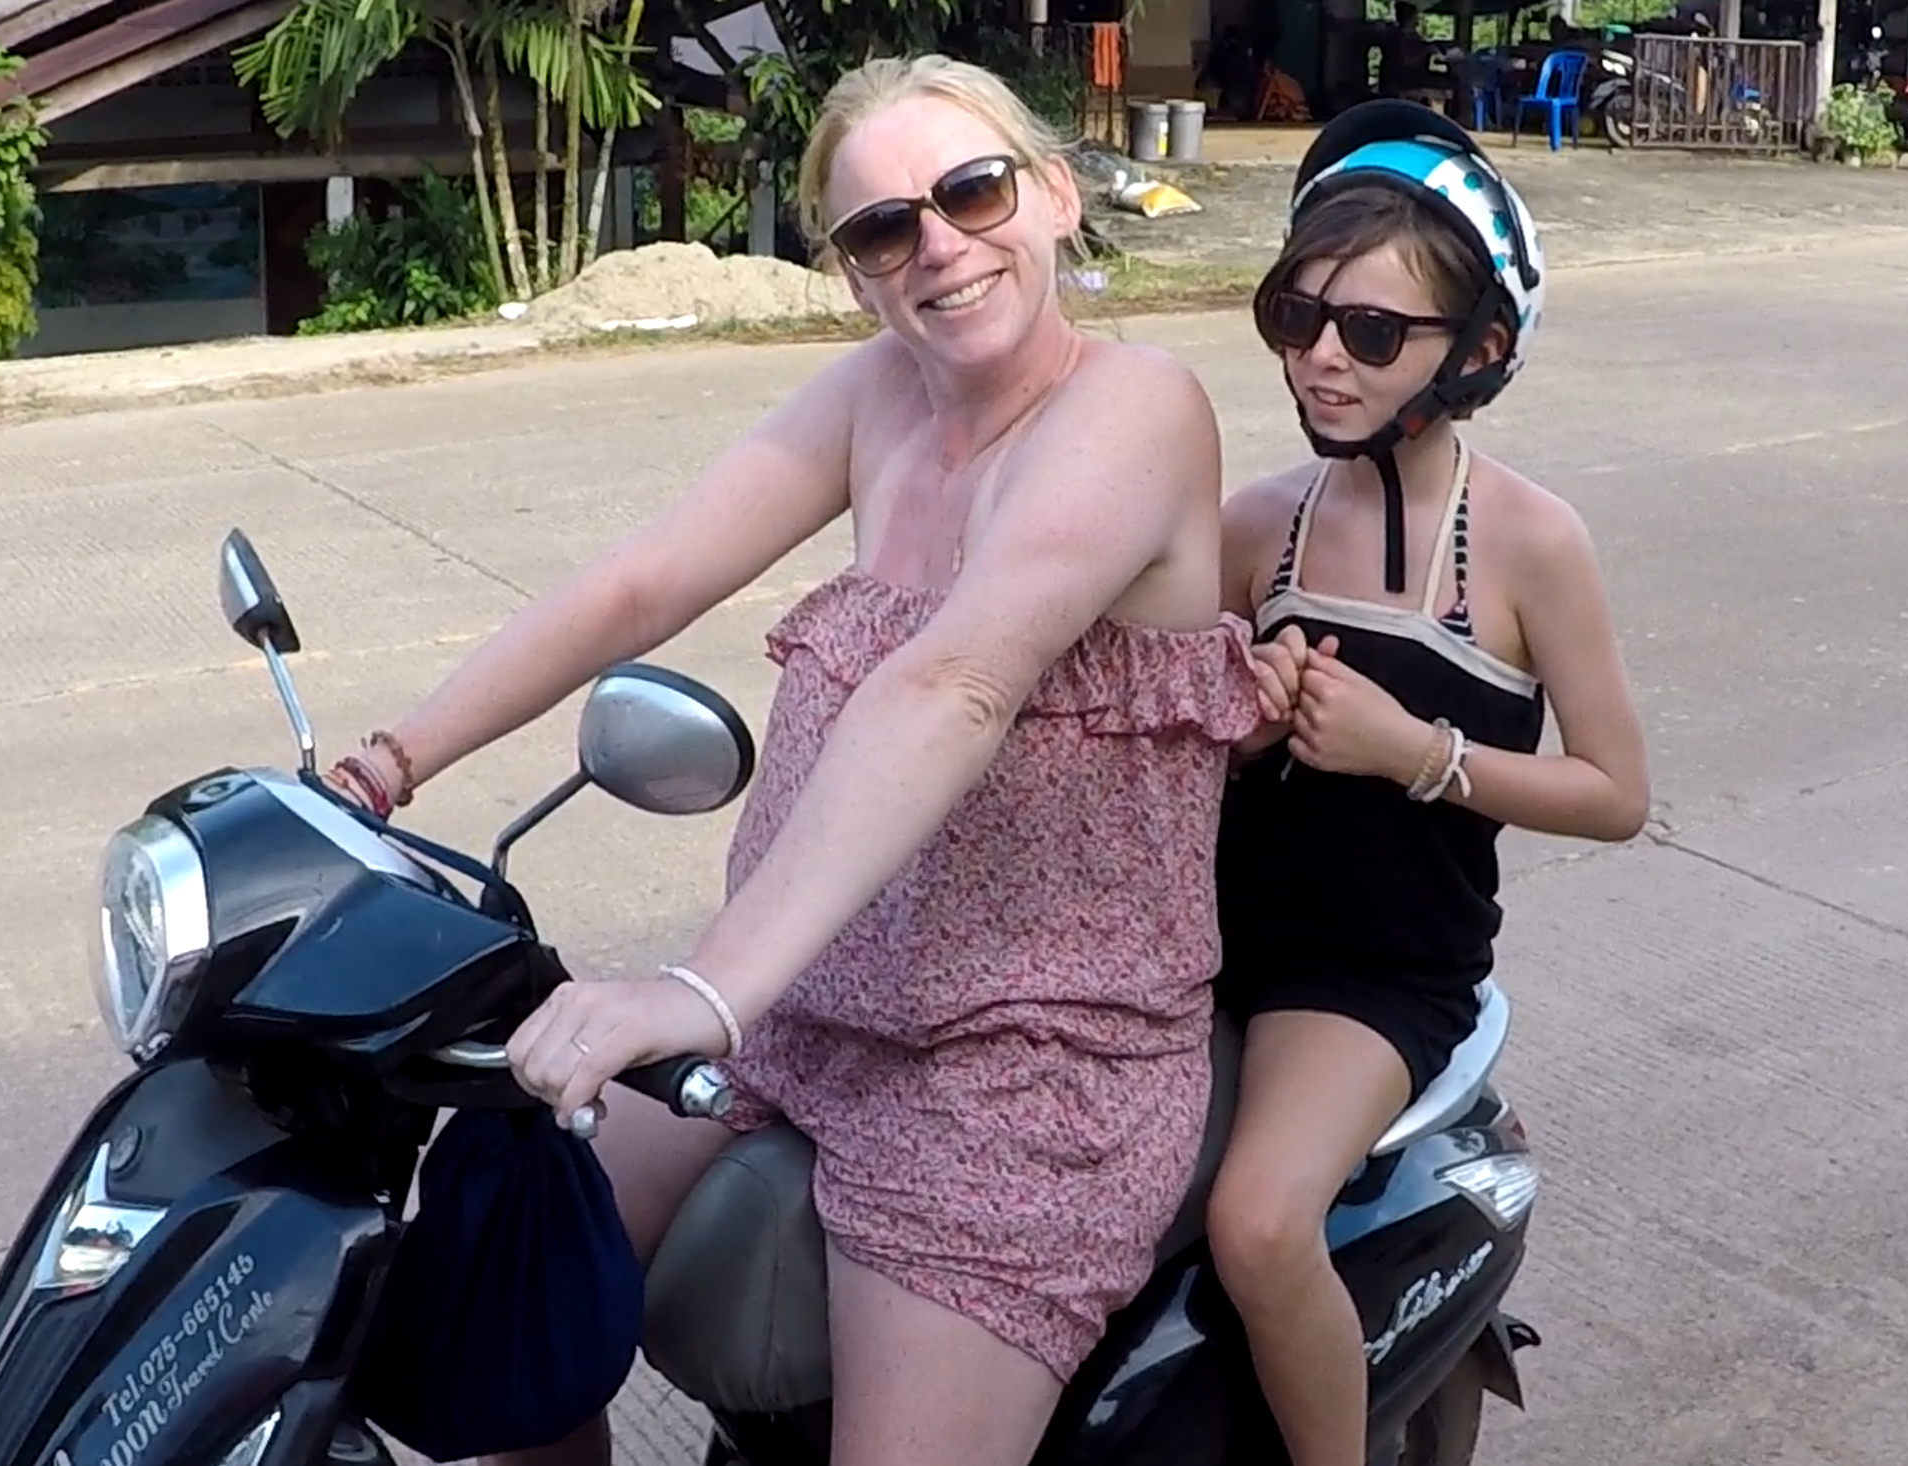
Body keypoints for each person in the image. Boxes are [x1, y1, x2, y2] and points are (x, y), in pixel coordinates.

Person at [325, 52, 1263, 1466]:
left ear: (1057, 196)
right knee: (506, 1283)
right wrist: (385, 767)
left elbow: (957, 679)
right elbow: (643, 580)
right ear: (851, 273)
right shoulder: (879, 394)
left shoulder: (1133, 405)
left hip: (1021, 1062)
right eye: (883, 227)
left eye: (972, 190)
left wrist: (701, 986)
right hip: (805, 1011)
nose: (938, 244)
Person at [1204, 100, 1650, 1466]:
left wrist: (1417, 753)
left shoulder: (1529, 543)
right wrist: (1239, 722)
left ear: (1480, 349)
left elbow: (1613, 792)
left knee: (1257, 1223)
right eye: (1298, 316)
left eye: (1371, 330)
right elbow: (1164, 742)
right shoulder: (1254, 526)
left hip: (1369, 976)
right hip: (1197, 940)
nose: (1323, 358)